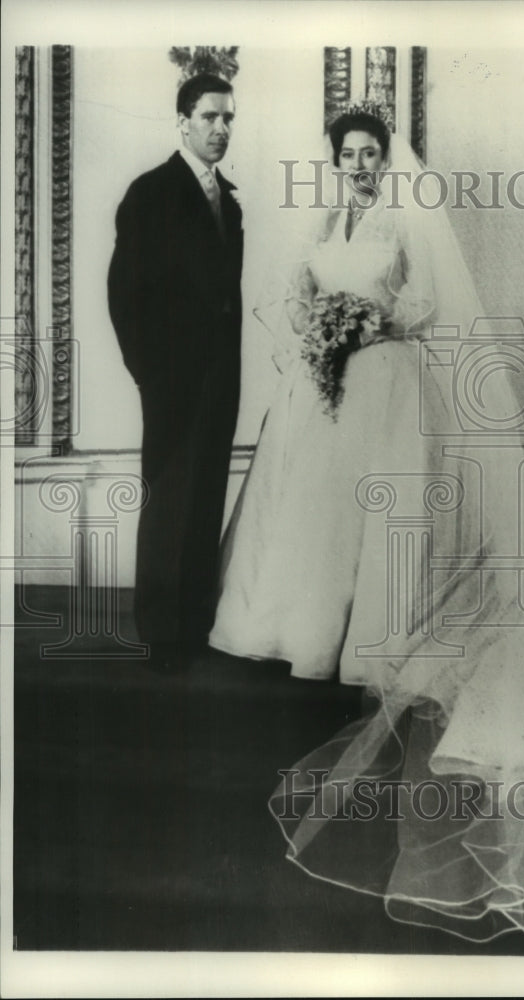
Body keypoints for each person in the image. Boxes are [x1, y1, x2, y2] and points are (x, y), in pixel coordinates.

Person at [209, 105, 524, 941]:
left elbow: (427, 300)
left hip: (388, 384)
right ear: (333, 161)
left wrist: (370, 323)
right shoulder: (327, 218)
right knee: (310, 517)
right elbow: (298, 291)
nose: (358, 166)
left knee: (376, 513)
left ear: (381, 160)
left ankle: (369, 637)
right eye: (347, 155)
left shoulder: (400, 221)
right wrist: (317, 325)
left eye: (368, 155)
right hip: (325, 388)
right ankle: (303, 635)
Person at [108, 72, 244, 672]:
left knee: (206, 488)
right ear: (183, 121)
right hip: (171, 378)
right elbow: (125, 293)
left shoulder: (230, 199)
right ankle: (162, 630)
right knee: (169, 495)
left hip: (220, 375)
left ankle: (192, 620)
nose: (221, 129)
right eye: (210, 117)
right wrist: (149, 374)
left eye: (228, 119)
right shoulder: (151, 191)